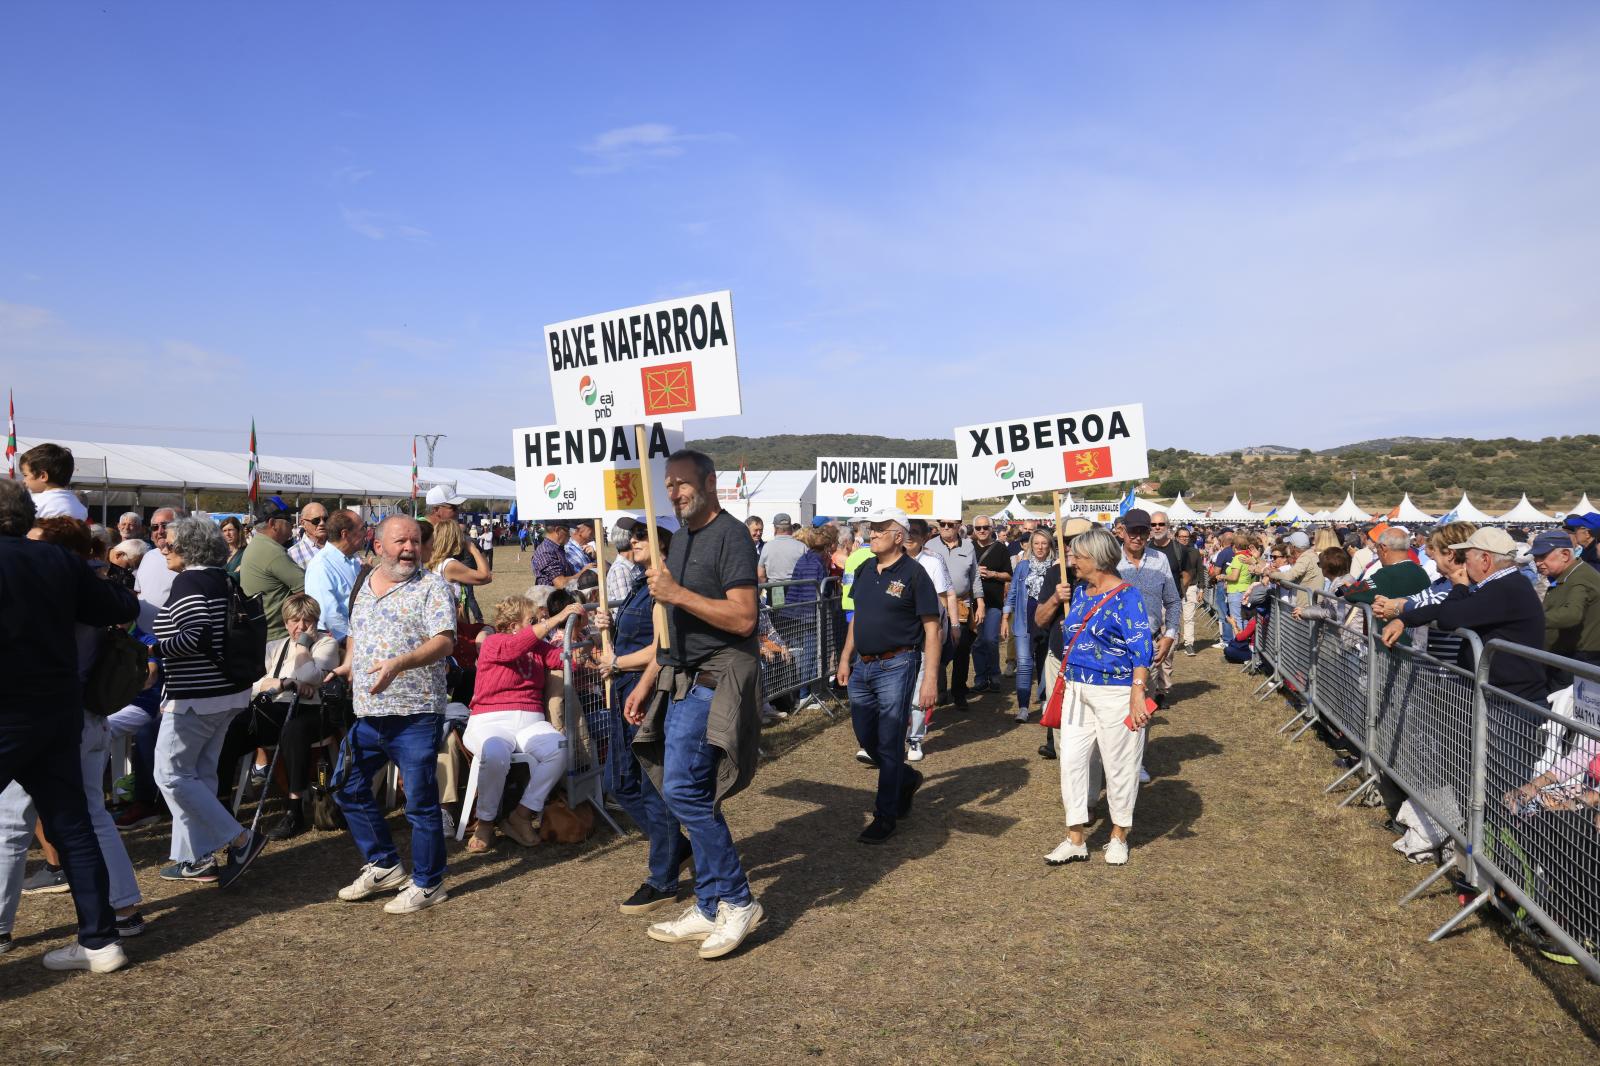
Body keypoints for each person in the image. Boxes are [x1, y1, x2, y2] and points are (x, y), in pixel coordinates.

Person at [624, 450, 764, 960]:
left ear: (710, 483)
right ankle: (709, 905)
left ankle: (739, 900)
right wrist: (647, 679)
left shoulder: (730, 537)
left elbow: (744, 618)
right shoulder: (679, 538)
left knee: (685, 790)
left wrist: (677, 593)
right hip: (681, 678)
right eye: (669, 485)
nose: (676, 493)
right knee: (687, 790)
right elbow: (672, 630)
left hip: (719, 676)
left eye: (683, 483)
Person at [0, 483, 140, 972]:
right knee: (73, 824)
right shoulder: (56, 561)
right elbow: (120, 609)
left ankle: (100, 942)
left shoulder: (51, 561)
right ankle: (100, 941)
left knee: (69, 825)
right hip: (56, 712)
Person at [332, 516, 457, 913]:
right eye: (400, 541)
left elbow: (445, 642)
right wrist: (347, 665)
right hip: (368, 712)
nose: (409, 548)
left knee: (419, 803)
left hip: (415, 713)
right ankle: (384, 864)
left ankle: (428, 882)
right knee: (346, 785)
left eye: (415, 541)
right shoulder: (364, 583)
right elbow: (356, 632)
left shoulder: (433, 587)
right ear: (379, 545)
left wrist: (399, 664)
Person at [151, 516, 268, 889]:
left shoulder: (188, 581)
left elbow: (194, 634)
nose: (163, 549)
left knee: (170, 775)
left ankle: (239, 839)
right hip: (228, 692)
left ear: (188, 547)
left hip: (195, 696)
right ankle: (194, 858)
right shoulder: (223, 578)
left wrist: (155, 647)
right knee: (199, 774)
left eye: (169, 543)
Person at [594, 521, 694, 914]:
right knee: (618, 782)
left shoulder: (666, 585)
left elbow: (659, 650)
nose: (630, 542)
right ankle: (678, 847)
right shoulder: (641, 582)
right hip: (624, 687)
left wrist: (616, 661)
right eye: (631, 536)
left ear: (660, 542)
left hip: (645, 691)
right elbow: (635, 637)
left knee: (651, 785)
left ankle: (663, 879)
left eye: (640, 535)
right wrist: (609, 628)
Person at [1044, 527, 1155, 868]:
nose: (1071, 561)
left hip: (1116, 692)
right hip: (1076, 689)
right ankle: (1075, 838)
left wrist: (1138, 695)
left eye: (1077, 556)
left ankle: (1119, 834)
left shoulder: (1127, 596)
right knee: (1072, 762)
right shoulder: (1078, 592)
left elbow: (1142, 650)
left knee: (1119, 765)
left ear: (1098, 559)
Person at [835, 507, 941, 844]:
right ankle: (906, 778)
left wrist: (930, 679)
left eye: (881, 528)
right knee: (866, 738)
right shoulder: (865, 567)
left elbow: (932, 629)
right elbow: (858, 619)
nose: (873, 533)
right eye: (872, 528)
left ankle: (885, 815)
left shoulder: (915, 574)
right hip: (862, 666)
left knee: (890, 739)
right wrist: (845, 657)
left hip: (898, 663)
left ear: (899, 536)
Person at [217, 594, 341, 840]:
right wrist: (286, 682)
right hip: (274, 710)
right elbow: (251, 683)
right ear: (285, 623)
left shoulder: (326, 645)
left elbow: (311, 676)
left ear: (316, 622)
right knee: (230, 729)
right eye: (294, 621)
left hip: (314, 712)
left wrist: (302, 646)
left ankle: (294, 811)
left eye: (307, 621)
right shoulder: (274, 647)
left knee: (294, 731)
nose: (300, 626)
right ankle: (221, 805)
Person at [462, 595, 580, 852]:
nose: (540, 623)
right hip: (489, 720)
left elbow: (564, 658)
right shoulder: (493, 642)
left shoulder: (537, 646)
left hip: (530, 721)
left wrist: (587, 643)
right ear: (515, 624)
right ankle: (485, 821)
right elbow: (515, 648)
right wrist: (555, 620)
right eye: (533, 620)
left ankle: (522, 814)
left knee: (559, 748)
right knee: (494, 752)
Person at [902, 519, 955, 760]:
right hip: (897, 637)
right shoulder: (891, 561)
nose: (909, 537)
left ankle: (915, 738)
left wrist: (946, 629)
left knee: (919, 690)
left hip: (925, 635)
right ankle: (895, 735)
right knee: (897, 690)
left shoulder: (932, 562)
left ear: (924, 537)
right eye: (906, 532)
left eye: (915, 533)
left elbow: (942, 599)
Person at [925, 517, 981, 709]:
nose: (946, 528)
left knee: (962, 650)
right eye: (942, 524)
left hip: (962, 604)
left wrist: (980, 602)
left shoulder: (968, 546)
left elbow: (974, 577)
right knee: (937, 647)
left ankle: (959, 692)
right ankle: (940, 692)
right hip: (936, 604)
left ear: (959, 526)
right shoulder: (929, 545)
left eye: (950, 524)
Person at [1531, 530, 1600, 682]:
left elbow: (1572, 615)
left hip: (1579, 660)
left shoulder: (1579, 578)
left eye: (1542, 556)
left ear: (1565, 555)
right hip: (1569, 658)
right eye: (1535, 557)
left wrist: (1532, 619)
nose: (1537, 562)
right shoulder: (1570, 574)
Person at [1006, 529, 1057, 723]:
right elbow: (1012, 591)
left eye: (1044, 543)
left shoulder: (1056, 567)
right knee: (1025, 663)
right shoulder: (1023, 566)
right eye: (1036, 543)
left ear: (1050, 545)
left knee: (1046, 663)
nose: (1040, 547)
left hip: (1048, 621)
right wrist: (1005, 615)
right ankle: (1023, 707)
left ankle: (1045, 699)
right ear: (1030, 545)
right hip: (1024, 619)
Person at [239, 507, 306, 643]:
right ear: (272, 523)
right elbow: (306, 592)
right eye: (288, 520)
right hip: (279, 637)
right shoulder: (273, 552)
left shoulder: (257, 545)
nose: (292, 525)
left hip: (263, 633)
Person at [304, 509, 366, 644]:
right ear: (345, 534)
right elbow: (329, 615)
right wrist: (352, 645)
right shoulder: (321, 566)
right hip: (341, 646)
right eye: (362, 529)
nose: (365, 533)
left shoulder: (352, 560)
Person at [971, 515, 1012, 696]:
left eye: (985, 527)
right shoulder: (968, 547)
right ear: (974, 530)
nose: (982, 531)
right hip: (972, 603)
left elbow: (1009, 575)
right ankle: (980, 678)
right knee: (978, 642)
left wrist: (994, 574)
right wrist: (974, 572)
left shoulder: (1000, 548)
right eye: (978, 528)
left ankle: (994, 675)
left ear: (991, 529)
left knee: (991, 639)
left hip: (994, 601)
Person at [134, 507, 179, 634]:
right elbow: (139, 591)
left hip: (172, 639)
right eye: (154, 527)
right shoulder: (148, 555)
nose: (160, 531)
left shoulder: (186, 558)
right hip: (143, 635)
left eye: (165, 525)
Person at [19, 443, 88, 521]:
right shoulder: (80, 507)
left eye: (25, 475)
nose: (23, 481)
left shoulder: (34, 504)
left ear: (43, 476)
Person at [1172, 525, 1205, 655]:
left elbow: (1200, 571)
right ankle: (1173, 642)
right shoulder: (1170, 552)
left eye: (1187, 537)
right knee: (1173, 617)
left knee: (1189, 618)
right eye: (1182, 537)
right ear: (1176, 537)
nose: (1184, 539)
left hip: (1191, 588)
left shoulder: (1195, 552)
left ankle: (1189, 644)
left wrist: (1201, 589)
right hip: (1173, 588)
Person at [756, 512, 806, 586]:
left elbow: (761, 575)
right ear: (790, 527)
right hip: (796, 588)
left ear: (775, 528)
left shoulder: (767, 547)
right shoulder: (802, 547)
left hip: (775, 589)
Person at [531, 519, 579, 588]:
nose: (569, 535)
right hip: (552, 598)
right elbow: (561, 583)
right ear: (558, 530)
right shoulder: (546, 552)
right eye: (567, 530)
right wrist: (582, 573)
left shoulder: (557, 549)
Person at [288, 502, 329, 568]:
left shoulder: (339, 545)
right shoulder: (293, 554)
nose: (322, 523)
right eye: (316, 520)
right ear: (303, 523)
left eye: (325, 519)